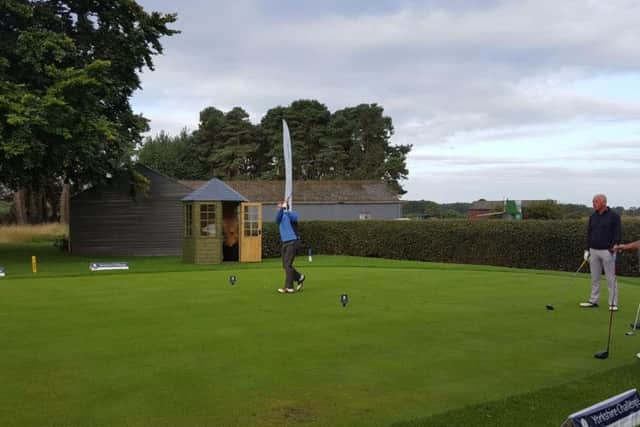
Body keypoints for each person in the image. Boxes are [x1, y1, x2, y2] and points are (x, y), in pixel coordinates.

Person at [580, 194, 621, 311]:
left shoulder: (614, 216)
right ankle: (593, 300)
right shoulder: (593, 216)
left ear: (603, 202)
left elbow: (617, 233)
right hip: (593, 250)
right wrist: (587, 249)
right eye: (593, 202)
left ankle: (613, 303)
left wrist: (614, 246)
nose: (593, 204)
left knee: (610, 278)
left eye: (596, 202)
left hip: (608, 251)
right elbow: (589, 234)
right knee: (595, 277)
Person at [275, 199, 305, 294]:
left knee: (287, 265)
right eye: (278, 206)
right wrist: (282, 209)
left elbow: (295, 218)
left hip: (293, 242)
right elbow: (277, 218)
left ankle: (289, 287)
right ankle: (299, 277)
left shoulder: (291, 214)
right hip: (285, 243)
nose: (278, 208)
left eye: (279, 206)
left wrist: (286, 209)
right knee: (285, 265)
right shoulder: (279, 216)